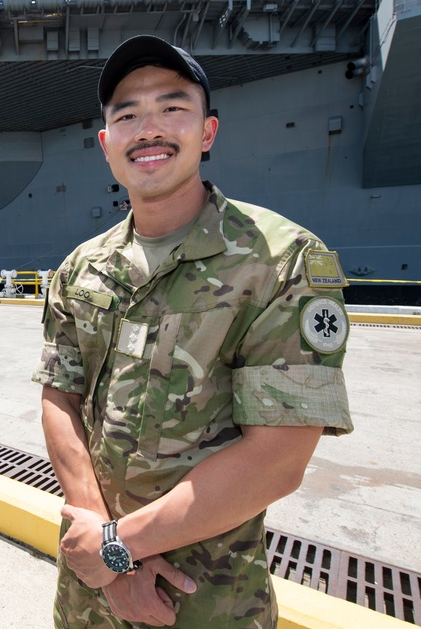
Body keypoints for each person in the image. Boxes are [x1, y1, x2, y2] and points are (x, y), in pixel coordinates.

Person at [33, 35, 354, 628]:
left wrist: (115, 549)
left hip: (204, 600)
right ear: (106, 145)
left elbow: (277, 459)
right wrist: (109, 556)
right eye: (127, 115)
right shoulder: (80, 269)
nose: (149, 128)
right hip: (89, 596)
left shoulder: (279, 262)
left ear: (207, 132)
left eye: (172, 108)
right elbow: (60, 400)